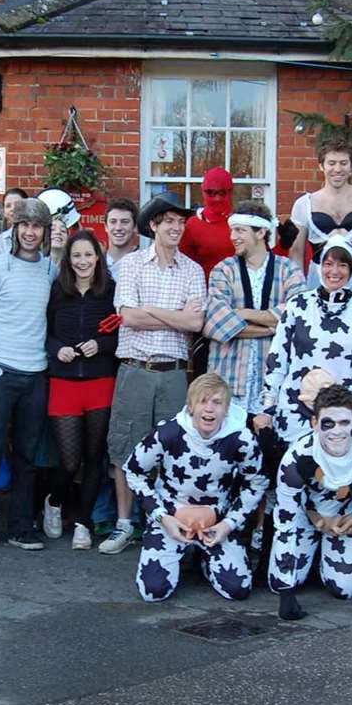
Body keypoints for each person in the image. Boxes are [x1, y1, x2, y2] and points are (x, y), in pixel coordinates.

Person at [100, 191, 206, 555]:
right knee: (126, 447)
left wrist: (151, 310)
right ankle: (124, 523)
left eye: (181, 221)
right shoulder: (130, 265)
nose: (176, 227)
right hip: (135, 369)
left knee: (172, 451)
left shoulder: (193, 270)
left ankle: (161, 523)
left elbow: (195, 322)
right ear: (154, 225)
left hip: (174, 372)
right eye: (169, 222)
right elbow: (127, 317)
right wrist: (169, 315)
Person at [0, 197, 57, 551]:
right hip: (1, 372)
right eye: (24, 226)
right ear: (14, 229)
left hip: (36, 374)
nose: (30, 232)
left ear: (44, 232)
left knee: (28, 457)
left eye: (36, 226)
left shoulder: (49, 271)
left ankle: (21, 525)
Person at [124, 372, 267, 601]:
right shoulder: (168, 432)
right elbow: (133, 471)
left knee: (238, 589)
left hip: (217, 522)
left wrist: (229, 524)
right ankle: (176, 551)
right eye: (203, 401)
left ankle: (204, 558)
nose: (209, 409)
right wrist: (162, 517)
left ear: (227, 409)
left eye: (217, 402)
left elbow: (257, 483)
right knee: (154, 591)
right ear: (190, 406)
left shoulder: (242, 440)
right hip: (171, 517)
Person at [267, 385, 352, 622]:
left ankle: (328, 559)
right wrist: (286, 595)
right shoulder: (296, 458)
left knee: (344, 589)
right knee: (281, 583)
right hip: (308, 516)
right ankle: (308, 562)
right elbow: (284, 522)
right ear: (314, 423)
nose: (336, 431)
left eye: (344, 423)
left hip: (348, 518)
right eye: (328, 423)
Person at [256, 232, 352, 448]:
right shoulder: (298, 305)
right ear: (320, 267)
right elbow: (277, 359)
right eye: (328, 264)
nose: (334, 272)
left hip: (343, 415)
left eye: (342, 265)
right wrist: (267, 407)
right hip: (296, 410)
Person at [45, 229, 119, 551]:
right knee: (69, 461)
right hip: (63, 382)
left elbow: (120, 336)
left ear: (98, 257)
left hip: (100, 381)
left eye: (88, 254)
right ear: (68, 259)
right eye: (77, 255)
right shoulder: (58, 291)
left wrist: (100, 344)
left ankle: (83, 524)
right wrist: (57, 349)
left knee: (94, 458)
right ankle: (54, 500)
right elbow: (46, 334)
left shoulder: (111, 292)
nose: (83, 261)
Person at [204, 199, 304, 413]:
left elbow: (298, 314)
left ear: (260, 233)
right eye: (232, 230)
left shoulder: (288, 269)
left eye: (240, 231)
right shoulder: (223, 270)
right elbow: (217, 323)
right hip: (228, 378)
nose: (233, 237)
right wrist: (272, 328)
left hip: (273, 381)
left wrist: (243, 313)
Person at [286, 137, 352, 291]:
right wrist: (298, 293)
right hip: (320, 281)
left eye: (343, 163)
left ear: (351, 166)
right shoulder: (303, 204)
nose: (338, 169)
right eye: (331, 163)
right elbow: (296, 254)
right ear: (321, 166)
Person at [179, 167, 236, 276]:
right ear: (203, 191)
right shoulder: (193, 225)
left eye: (222, 193)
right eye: (211, 193)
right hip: (202, 289)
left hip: (239, 289)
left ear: (230, 192)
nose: (217, 198)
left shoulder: (241, 222)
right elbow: (184, 265)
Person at [103, 197, 149, 269]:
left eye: (125, 222)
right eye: (113, 221)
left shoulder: (146, 264)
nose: (118, 228)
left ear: (135, 227)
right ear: (105, 226)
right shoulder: (95, 263)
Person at [0, 187, 29, 260]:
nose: (12, 209)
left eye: (17, 204)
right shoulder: (1, 241)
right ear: (4, 212)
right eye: (8, 206)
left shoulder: (38, 234)